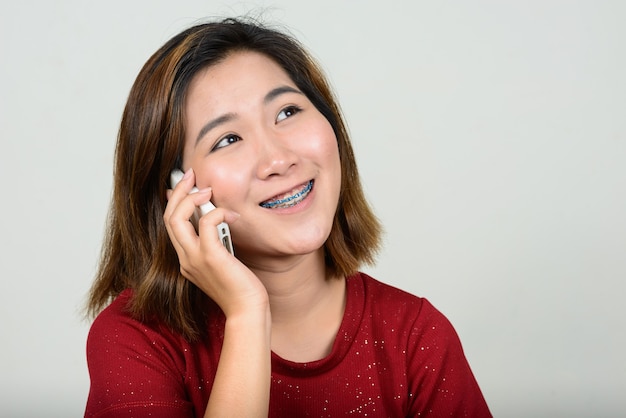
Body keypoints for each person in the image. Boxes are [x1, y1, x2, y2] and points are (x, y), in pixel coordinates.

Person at [85, 17, 492, 417]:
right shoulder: (135, 340)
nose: (279, 160)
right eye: (228, 139)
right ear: (177, 193)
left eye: (287, 112)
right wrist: (247, 314)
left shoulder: (415, 336)